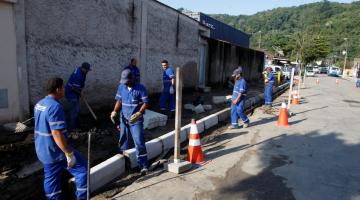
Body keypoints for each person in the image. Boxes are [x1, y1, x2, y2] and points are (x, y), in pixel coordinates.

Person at [34, 77, 87, 200]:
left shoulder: (39, 104)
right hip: (56, 151)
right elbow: (56, 133)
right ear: (58, 89)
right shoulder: (55, 107)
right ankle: (82, 197)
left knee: (51, 178)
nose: (64, 90)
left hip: (43, 150)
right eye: (63, 88)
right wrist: (68, 153)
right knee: (82, 170)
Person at [110, 69, 149, 174]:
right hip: (124, 119)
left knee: (139, 142)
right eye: (124, 81)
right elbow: (119, 100)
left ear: (132, 79)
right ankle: (124, 165)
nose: (125, 83)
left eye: (127, 81)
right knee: (123, 142)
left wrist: (140, 113)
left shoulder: (140, 88)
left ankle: (143, 165)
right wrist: (114, 111)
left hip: (135, 120)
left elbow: (146, 103)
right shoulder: (121, 87)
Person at [65, 62, 91, 131]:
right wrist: (80, 93)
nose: (87, 71)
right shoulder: (78, 75)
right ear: (83, 68)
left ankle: (78, 124)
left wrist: (80, 92)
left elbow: (80, 85)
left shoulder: (82, 72)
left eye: (88, 70)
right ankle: (71, 128)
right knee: (74, 111)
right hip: (71, 93)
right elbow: (74, 88)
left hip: (75, 92)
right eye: (87, 70)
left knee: (77, 110)